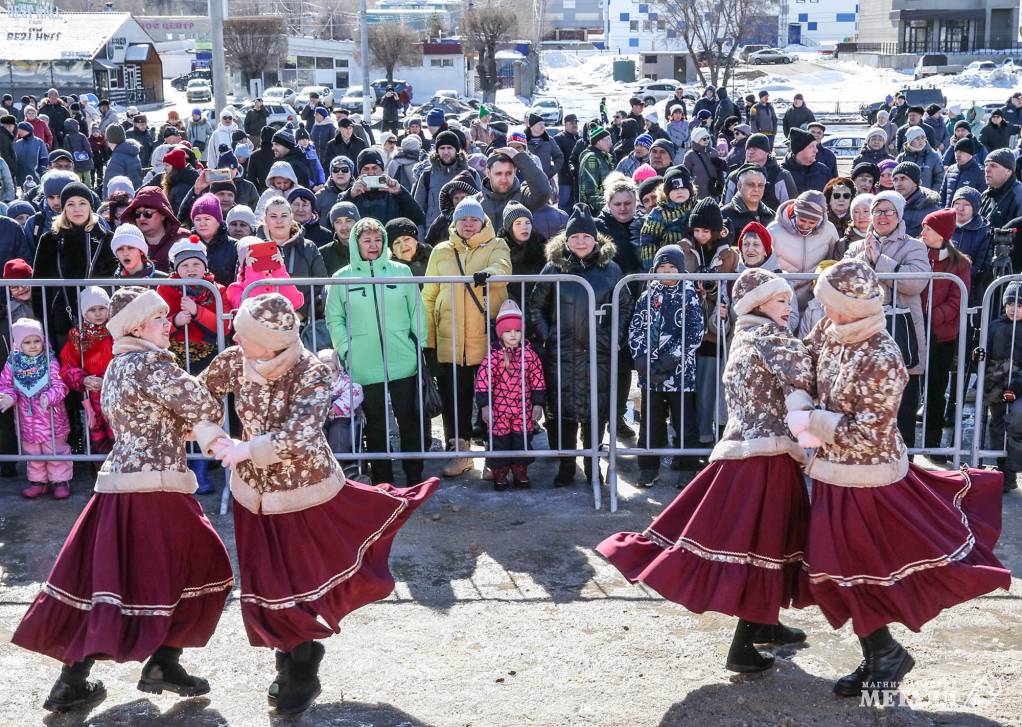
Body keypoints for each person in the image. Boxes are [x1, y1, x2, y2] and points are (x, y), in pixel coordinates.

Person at [200, 292, 437, 715]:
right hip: (251, 491)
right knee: (264, 580)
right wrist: (210, 432)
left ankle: (302, 663)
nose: (235, 338)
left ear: (270, 341)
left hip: (302, 489)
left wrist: (247, 448)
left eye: (243, 334)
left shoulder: (309, 371)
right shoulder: (235, 358)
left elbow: (300, 434)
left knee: (299, 578)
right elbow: (201, 396)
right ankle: (286, 659)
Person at [790, 258, 1010, 698]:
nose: (822, 312)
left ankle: (885, 652)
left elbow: (868, 431)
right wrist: (799, 392)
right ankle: (880, 653)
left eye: (828, 304)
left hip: (871, 479)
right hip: (834, 475)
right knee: (837, 571)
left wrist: (812, 420)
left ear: (852, 306)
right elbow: (805, 360)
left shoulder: (882, 354)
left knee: (853, 569)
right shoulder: (830, 333)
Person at [11, 286, 234, 711]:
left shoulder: (118, 364)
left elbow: (163, 418)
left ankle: (76, 679)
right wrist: (221, 374)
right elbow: (202, 404)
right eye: (159, 319)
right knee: (207, 568)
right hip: (155, 486)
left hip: (120, 483)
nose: (167, 325)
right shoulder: (152, 364)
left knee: (107, 581)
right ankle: (163, 661)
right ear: (136, 325)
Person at [599, 266, 815, 672]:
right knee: (764, 546)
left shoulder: (746, 335)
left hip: (750, 453)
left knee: (766, 542)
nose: (790, 306)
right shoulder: (770, 337)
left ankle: (765, 622)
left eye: (789, 299)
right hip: (764, 459)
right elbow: (808, 374)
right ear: (757, 303)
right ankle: (743, 647)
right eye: (781, 300)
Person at [529, 203, 632, 485]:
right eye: (575, 237)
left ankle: (591, 466)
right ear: (567, 240)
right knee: (561, 413)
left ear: (595, 238)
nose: (581, 242)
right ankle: (565, 466)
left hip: (597, 354)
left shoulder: (610, 270)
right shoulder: (553, 267)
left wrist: (613, 336)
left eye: (586, 236)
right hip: (561, 354)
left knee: (594, 414)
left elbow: (624, 305)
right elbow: (536, 305)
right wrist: (549, 335)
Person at [325, 216, 428, 485]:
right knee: (375, 422)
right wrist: (347, 350)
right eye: (366, 240)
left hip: (403, 358)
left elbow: (417, 310)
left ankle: (414, 474)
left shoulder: (401, 272)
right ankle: (383, 478)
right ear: (356, 244)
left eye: (378, 239)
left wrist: (417, 343)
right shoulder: (341, 278)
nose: (373, 245)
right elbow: (335, 319)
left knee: (409, 418)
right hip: (364, 362)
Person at [421, 197, 511, 477]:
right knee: (454, 400)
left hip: (485, 340)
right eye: (464, 219)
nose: (469, 224)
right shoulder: (441, 251)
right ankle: (459, 453)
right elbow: (429, 295)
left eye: (474, 219)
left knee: (493, 400)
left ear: (483, 221)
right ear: (455, 222)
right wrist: (428, 338)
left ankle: (494, 459)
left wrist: (489, 274)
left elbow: (504, 269)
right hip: (450, 339)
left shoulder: (497, 245)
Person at [845, 190, 930, 447]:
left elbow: (915, 283)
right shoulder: (856, 247)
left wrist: (878, 261)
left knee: (903, 407)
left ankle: (907, 464)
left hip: (902, 335)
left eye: (888, 211)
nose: (882, 217)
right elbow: (847, 280)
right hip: (865, 334)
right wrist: (866, 258)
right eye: (877, 211)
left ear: (899, 214)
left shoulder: (914, 246)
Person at [628, 244, 704, 486]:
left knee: (684, 421)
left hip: (679, 372)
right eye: (663, 267)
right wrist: (641, 359)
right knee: (650, 422)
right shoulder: (647, 296)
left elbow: (695, 331)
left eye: (673, 267)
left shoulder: (690, 296)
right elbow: (636, 328)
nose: (668, 272)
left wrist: (671, 359)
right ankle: (648, 467)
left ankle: (688, 466)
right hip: (650, 372)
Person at [474, 299, 545, 490]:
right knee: (500, 443)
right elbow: (483, 381)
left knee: (521, 441)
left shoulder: (530, 356)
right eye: (507, 331)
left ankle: (520, 471)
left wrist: (538, 404)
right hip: (500, 412)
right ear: (500, 333)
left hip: (523, 410)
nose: (513, 335)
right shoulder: (494, 357)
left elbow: (537, 379)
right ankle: (500, 473)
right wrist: (485, 406)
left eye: (517, 330)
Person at [918, 209, 971, 454]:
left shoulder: (960, 263)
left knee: (936, 389)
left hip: (941, 334)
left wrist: (933, 316)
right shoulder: (917, 253)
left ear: (941, 233)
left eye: (927, 228)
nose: (922, 233)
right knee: (913, 387)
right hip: (916, 329)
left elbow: (957, 299)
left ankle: (931, 444)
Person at [0, 317, 72, 498]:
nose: (33, 346)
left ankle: (60, 481)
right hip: (27, 420)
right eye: (27, 342)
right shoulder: (12, 364)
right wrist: (8, 397)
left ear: (43, 340)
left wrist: (50, 397)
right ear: (18, 344)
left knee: (55, 450)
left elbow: (60, 386)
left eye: (36, 340)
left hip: (52, 418)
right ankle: (38, 481)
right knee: (33, 452)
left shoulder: (50, 361)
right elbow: (6, 384)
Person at [59, 286, 114, 456]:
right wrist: (83, 380)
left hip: (114, 390)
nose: (98, 314)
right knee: (97, 434)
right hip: (91, 395)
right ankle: (99, 469)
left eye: (102, 308)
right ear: (83, 312)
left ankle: (121, 472)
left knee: (117, 432)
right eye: (92, 310)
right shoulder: (77, 336)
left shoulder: (116, 330)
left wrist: (111, 379)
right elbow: (67, 366)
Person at [769, 190, 839, 309]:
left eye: (812, 222)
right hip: (782, 298)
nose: (806, 226)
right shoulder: (773, 230)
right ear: (795, 212)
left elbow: (833, 260)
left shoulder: (829, 230)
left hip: (814, 300)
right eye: (802, 220)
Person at [985, 281, 1022, 490]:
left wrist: (1016, 387)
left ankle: (1012, 469)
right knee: (997, 426)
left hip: (1017, 387)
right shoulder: (995, 326)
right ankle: (1003, 472)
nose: (1013, 309)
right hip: (996, 387)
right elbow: (986, 353)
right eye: (1010, 303)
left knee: (1016, 423)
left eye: (1019, 305)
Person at [412, 130, 478, 227]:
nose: (446, 152)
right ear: (437, 150)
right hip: (433, 234)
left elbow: (480, 207)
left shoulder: (471, 173)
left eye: (449, 148)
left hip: (464, 231)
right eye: (442, 148)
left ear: (457, 150)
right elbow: (417, 209)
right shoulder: (427, 174)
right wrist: (421, 235)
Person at [226, 235, 305, 314]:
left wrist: (279, 270)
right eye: (252, 255)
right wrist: (253, 272)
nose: (260, 258)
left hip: (280, 325)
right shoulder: (235, 288)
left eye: (263, 252)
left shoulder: (276, 279)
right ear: (244, 262)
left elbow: (295, 303)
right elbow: (252, 309)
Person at [638, 166, 696, 270]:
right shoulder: (659, 213)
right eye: (674, 189)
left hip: (695, 262)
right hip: (666, 266)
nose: (679, 192)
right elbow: (648, 240)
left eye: (683, 188)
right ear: (666, 192)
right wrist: (652, 267)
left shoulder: (698, 207)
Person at [979, 150, 1022, 270]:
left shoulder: (1019, 195)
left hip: (1010, 268)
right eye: (986, 165)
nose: (987, 169)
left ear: (1009, 171)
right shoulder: (986, 195)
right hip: (985, 263)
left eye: (993, 165)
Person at [950, 186, 992, 301]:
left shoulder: (985, 231)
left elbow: (981, 266)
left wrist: (954, 274)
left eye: (966, 205)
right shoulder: (942, 223)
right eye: (957, 203)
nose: (960, 208)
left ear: (975, 208)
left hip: (969, 290)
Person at [892, 161, 941, 237]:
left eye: (903, 178)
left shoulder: (931, 209)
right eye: (895, 179)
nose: (898, 183)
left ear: (915, 182)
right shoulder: (891, 204)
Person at [940, 137, 986, 207]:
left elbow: (982, 199)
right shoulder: (950, 170)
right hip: (948, 214)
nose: (957, 155)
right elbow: (943, 194)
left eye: (961, 151)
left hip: (966, 216)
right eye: (956, 151)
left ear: (970, 153)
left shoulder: (980, 172)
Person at [896, 126, 944, 192]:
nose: (921, 141)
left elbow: (940, 179)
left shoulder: (934, 156)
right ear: (910, 141)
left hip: (927, 198)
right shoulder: (901, 158)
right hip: (905, 197)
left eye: (923, 138)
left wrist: (932, 195)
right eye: (917, 138)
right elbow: (895, 179)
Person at [782, 128, 829, 193]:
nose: (816, 150)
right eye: (811, 146)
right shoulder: (781, 173)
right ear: (800, 150)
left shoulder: (824, 170)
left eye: (815, 146)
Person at [683, 127, 723, 200]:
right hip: (699, 191)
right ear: (697, 140)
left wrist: (720, 167)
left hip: (713, 190)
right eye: (704, 139)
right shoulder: (690, 155)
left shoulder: (714, 152)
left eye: (708, 138)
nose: (707, 140)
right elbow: (685, 175)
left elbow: (720, 172)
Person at [833, 192, 874, 258]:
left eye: (866, 211)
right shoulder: (842, 244)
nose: (861, 216)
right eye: (856, 212)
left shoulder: (884, 240)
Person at [103, 123, 142, 191]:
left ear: (109, 140)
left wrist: (105, 200)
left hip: (122, 198)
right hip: (135, 193)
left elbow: (111, 186)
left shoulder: (117, 159)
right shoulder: (132, 152)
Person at [13, 121, 48, 187]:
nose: (19, 132)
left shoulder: (39, 142)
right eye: (19, 130)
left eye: (21, 130)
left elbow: (44, 159)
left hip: (35, 177)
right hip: (19, 177)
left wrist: (41, 172)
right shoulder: (17, 143)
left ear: (27, 130)